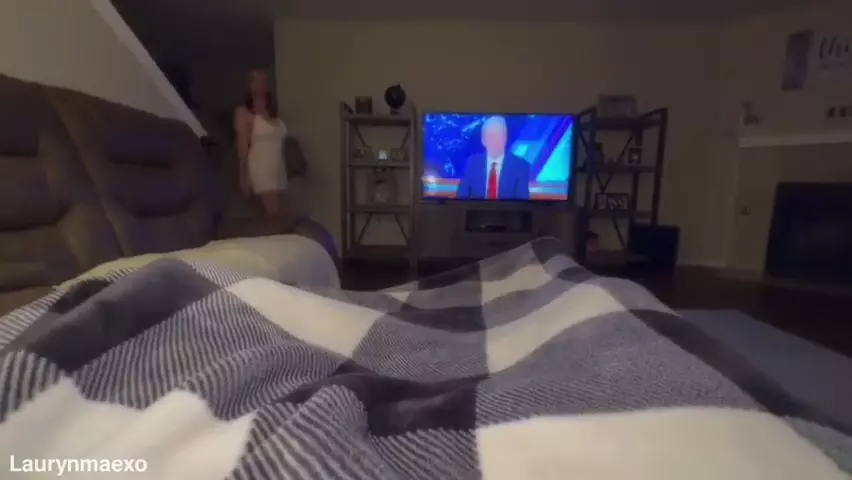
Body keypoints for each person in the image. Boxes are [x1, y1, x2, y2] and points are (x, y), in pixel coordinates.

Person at [233, 69, 288, 217]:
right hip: (260, 170)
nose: (263, 83)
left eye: (264, 80)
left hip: (277, 170)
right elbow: (242, 149)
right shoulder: (243, 113)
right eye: (257, 80)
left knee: (284, 217)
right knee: (273, 217)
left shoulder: (272, 112)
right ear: (249, 85)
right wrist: (244, 177)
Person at [456, 116, 531, 200]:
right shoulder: (472, 163)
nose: (495, 141)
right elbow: (461, 197)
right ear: (483, 140)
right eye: (491, 136)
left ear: (505, 138)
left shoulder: (521, 166)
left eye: (499, 136)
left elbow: (522, 203)